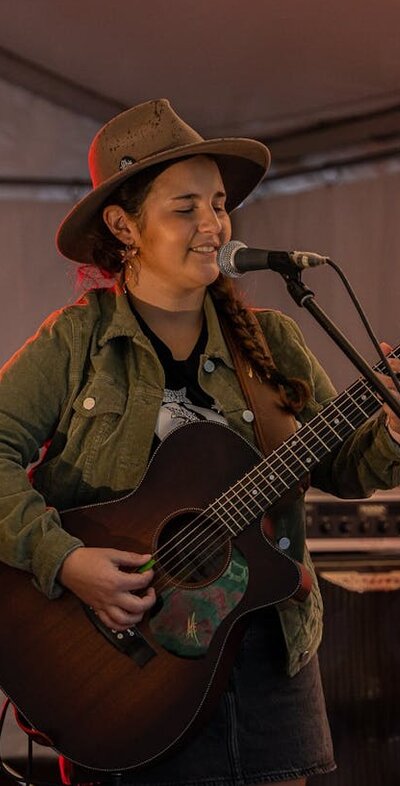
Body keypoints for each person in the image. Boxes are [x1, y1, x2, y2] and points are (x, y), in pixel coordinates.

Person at [0, 98, 400, 786]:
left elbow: (343, 463)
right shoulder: (75, 343)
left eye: (218, 204)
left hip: (269, 649)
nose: (214, 225)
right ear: (125, 225)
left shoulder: (274, 340)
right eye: (186, 208)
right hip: (124, 668)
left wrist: (391, 429)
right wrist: (65, 561)